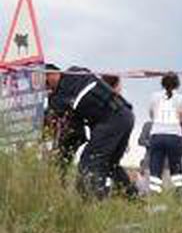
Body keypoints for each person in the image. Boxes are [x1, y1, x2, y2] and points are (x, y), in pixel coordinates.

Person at [44, 63, 135, 198]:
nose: (46, 88)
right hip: (123, 116)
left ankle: (91, 201)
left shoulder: (74, 73)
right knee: (110, 164)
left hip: (113, 117)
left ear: (53, 73)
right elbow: (74, 131)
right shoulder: (57, 99)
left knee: (91, 162)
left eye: (45, 83)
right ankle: (133, 199)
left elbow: (72, 130)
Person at [146, 73, 182, 193]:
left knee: (155, 165)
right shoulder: (181, 98)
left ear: (162, 83)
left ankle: (155, 192)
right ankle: (178, 192)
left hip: (157, 134)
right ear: (177, 84)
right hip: (174, 136)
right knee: (176, 166)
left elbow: (151, 115)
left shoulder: (154, 96)